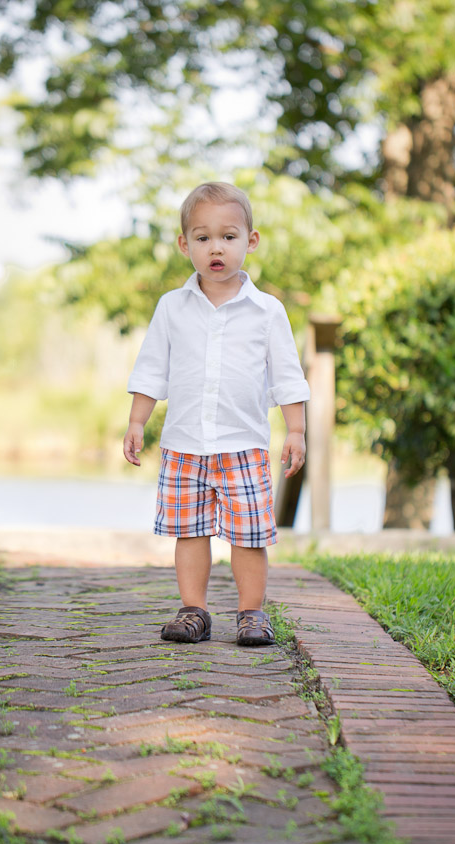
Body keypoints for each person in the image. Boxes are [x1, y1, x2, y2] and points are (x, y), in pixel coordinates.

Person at [123, 182, 310, 646]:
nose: (216, 248)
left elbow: (287, 376)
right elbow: (152, 370)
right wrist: (136, 421)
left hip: (243, 444)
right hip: (184, 443)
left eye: (228, 236)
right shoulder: (172, 307)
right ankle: (194, 611)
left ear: (251, 240)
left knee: (248, 535)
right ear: (185, 245)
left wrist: (297, 429)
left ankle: (251, 614)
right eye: (203, 238)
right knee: (189, 532)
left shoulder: (268, 311)